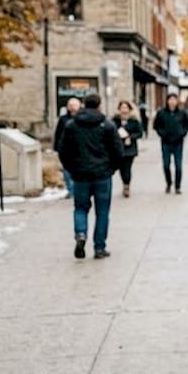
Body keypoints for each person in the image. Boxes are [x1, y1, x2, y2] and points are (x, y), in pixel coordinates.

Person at [59, 93, 123, 260]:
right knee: (102, 211)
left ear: (83, 105)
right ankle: (99, 247)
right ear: (99, 105)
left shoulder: (72, 125)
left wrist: (71, 168)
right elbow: (117, 150)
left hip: (80, 175)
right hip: (102, 174)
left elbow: (63, 150)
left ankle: (81, 233)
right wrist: (112, 168)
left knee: (80, 207)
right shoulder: (107, 125)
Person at [153, 93, 188, 193]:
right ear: (167, 101)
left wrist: (182, 133)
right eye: (170, 99)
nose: (172, 102)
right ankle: (169, 183)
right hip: (166, 142)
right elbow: (156, 126)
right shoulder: (161, 113)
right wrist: (162, 134)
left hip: (178, 143)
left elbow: (187, 125)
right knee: (166, 165)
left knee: (178, 166)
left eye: (174, 99)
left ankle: (177, 187)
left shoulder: (182, 113)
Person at [112, 101, 144, 198]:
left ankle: (127, 186)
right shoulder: (115, 121)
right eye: (122, 107)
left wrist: (130, 137)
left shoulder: (134, 121)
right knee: (121, 168)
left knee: (127, 168)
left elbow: (139, 133)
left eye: (126, 108)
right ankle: (124, 183)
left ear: (129, 109)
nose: (124, 110)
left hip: (130, 148)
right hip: (118, 148)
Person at [53, 96, 82, 196]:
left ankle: (77, 188)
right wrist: (56, 147)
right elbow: (58, 133)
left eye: (74, 105)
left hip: (79, 148)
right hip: (66, 149)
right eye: (70, 105)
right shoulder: (63, 119)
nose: (72, 108)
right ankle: (70, 189)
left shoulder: (82, 118)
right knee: (66, 170)